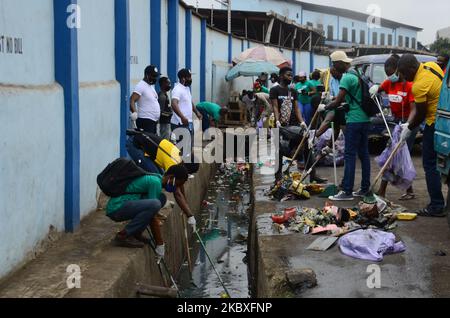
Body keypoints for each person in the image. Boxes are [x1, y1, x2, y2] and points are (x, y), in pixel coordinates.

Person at [318, 51, 371, 201]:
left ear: (340, 63)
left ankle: (347, 191)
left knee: (349, 155)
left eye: (334, 64)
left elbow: (337, 102)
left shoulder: (347, 77)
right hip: (365, 119)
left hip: (354, 120)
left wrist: (325, 107)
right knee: (364, 154)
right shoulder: (358, 74)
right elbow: (348, 98)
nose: (333, 67)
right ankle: (364, 189)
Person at [106, 165, 195, 253]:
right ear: (171, 177)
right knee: (155, 204)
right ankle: (123, 235)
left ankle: (136, 233)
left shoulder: (158, 178)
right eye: (177, 184)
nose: (176, 187)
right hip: (116, 208)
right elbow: (152, 216)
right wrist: (160, 243)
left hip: (126, 205)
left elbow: (178, 194)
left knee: (161, 198)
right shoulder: (155, 182)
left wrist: (190, 215)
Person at [398, 53, 445, 217]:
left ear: (412, 68)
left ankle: (437, 205)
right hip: (445, 119)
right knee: (443, 164)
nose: (404, 77)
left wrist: (408, 128)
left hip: (434, 123)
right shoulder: (431, 66)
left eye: (404, 73)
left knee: (430, 164)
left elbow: (421, 114)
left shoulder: (418, 85)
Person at [369, 54, 418, 200]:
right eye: (387, 74)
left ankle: (382, 191)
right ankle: (409, 191)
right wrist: (375, 89)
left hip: (409, 123)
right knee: (400, 156)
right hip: (396, 122)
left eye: (391, 73)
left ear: (400, 70)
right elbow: (378, 90)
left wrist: (407, 127)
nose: (389, 76)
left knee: (394, 155)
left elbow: (414, 109)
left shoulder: (410, 86)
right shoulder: (389, 83)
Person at [271, 67, 319, 181]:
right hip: (280, 125)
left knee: (306, 144)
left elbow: (297, 108)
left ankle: (312, 175)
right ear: (281, 75)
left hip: (293, 125)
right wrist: (277, 121)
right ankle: (278, 176)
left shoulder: (292, 91)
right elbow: (275, 106)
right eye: (288, 75)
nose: (290, 77)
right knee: (279, 150)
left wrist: (302, 122)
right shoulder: (275, 90)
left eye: (291, 75)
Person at [171, 68, 203, 158]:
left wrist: (196, 112)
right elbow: (174, 103)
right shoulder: (177, 89)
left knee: (188, 147)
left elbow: (189, 101)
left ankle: (186, 167)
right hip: (179, 123)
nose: (191, 79)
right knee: (181, 149)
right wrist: (182, 117)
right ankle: (180, 167)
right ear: (183, 78)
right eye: (189, 77)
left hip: (188, 122)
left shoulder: (186, 88)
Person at [130, 65, 161, 134]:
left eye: (156, 76)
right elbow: (132, 99)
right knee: (147, 144)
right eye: (153, 76)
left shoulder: (150, 86)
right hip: (145, 121)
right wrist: (134, 112)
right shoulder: (141, 86)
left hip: (152, 122)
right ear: (147, 75)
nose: (155, 78)